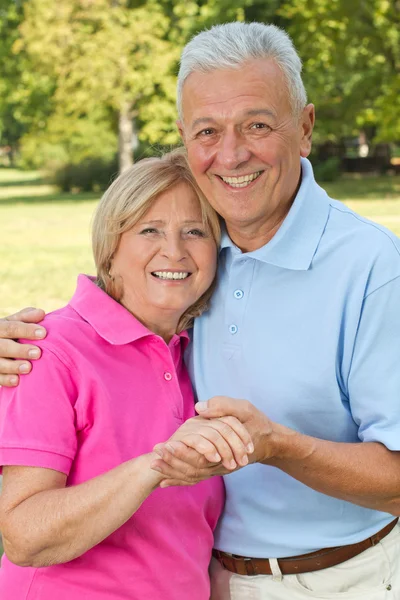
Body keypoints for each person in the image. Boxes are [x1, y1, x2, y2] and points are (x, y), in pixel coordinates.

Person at [1, 20, 400, 599]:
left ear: (305, 128)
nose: (231, 153)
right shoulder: (185, 278)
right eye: (208, 131)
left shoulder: (373, 267)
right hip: (213, 581)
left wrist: (279, 445)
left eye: (258, 125)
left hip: (340, 580)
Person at [0, 148, 254, 600]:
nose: (174, 251)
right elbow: (24, 535)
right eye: (149, 230)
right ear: (110, 251)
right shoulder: (50, 350)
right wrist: (157, 465)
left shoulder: (202, 352)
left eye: (194, 231)